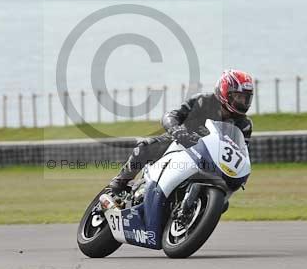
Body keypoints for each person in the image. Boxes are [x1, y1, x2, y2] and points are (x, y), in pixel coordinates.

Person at [108, 69, 255, 195]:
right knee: (144, 148)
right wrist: (177, 130)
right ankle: (120, 182)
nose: (243, 102)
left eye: (246, 98)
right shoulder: (202, 101)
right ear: (225, 92)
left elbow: (241, 153)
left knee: (223, 202)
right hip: (181, 142)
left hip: (209, 161)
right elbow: (171, 115)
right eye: (238, 96)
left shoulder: (244, 125)